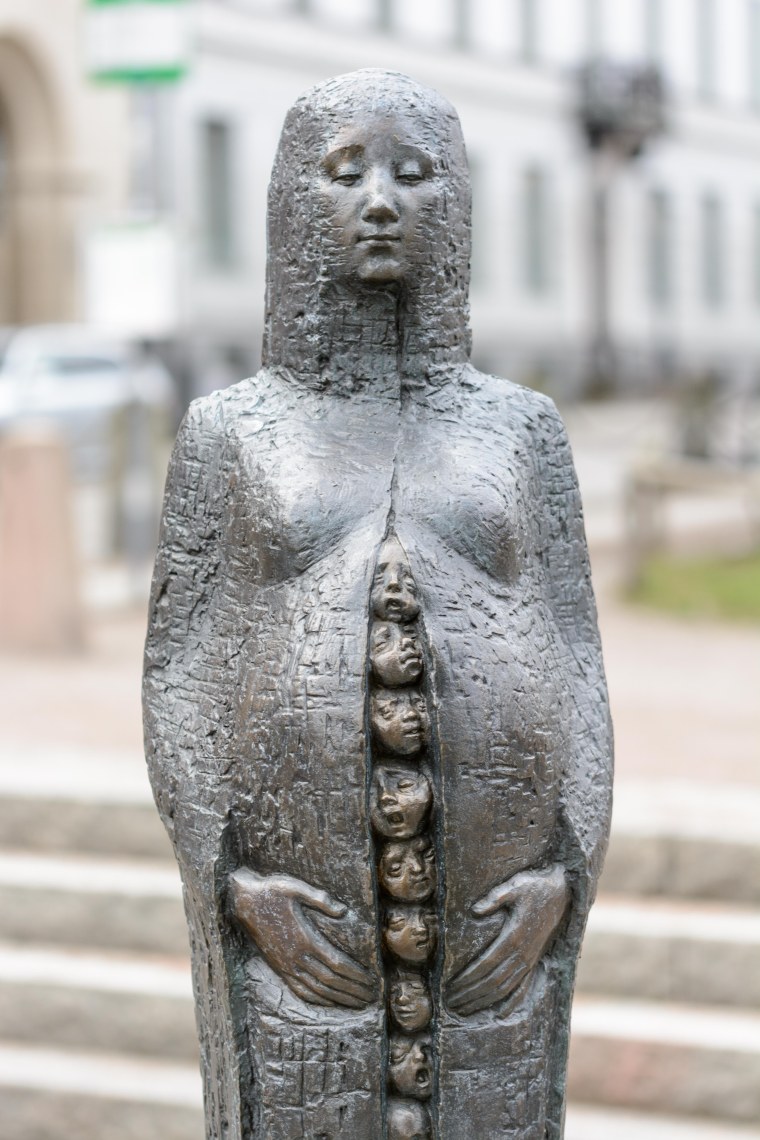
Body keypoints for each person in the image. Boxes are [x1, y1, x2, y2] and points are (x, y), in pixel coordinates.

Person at [143, 69, 612, 1140]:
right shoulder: (229, 432)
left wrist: (564, 870)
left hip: (499, 932)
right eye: (345, 172)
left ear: (459, 202)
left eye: (415, 172)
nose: (382, 200)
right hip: (304, 934)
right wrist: (236, 885)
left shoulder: (522, 431)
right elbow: (178, 679)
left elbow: (579, 666)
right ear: (289, 200)